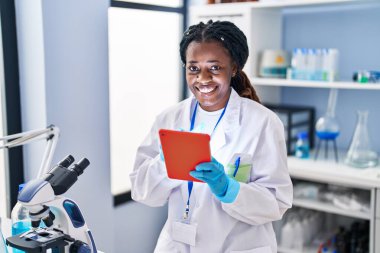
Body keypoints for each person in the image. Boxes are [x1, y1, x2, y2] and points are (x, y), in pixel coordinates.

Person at [130, 20, 293, 253]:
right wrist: (163, 165)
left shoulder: (263, 122)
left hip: (238, 245)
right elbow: (141, 191)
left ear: (234, 68)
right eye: (193, 68)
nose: (203, 79)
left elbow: (276, 203)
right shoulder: (169, 119)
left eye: (215, 68)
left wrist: (228, 188)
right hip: (178, 244)